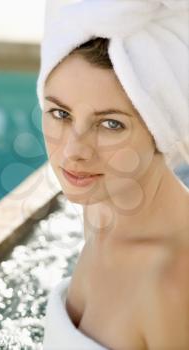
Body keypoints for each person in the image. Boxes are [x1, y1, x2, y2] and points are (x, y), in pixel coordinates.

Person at [37, 1, 189, 349]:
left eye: (110, 124)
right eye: (60, 113)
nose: (75, 150)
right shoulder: (101, 209)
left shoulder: (171, 284)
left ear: (159, 129)